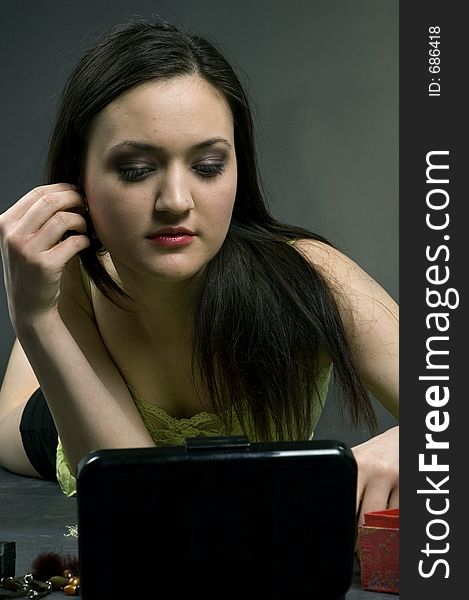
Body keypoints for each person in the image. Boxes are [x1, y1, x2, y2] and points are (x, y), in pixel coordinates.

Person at [0, 18, 398, 525]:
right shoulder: (77, 285)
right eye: (136, 170)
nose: (176, 202)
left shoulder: (309, 276)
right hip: (59, 427)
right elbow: (144, 501)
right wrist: (33, 318)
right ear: (79, 176)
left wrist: (411, 442)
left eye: (208, 166)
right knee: (8, 423)